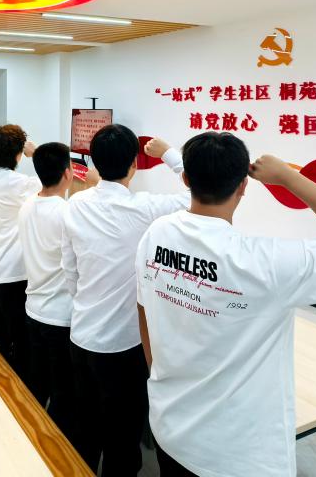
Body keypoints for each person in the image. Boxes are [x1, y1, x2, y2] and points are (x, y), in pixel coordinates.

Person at [136, 135, 316, 477]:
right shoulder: (265, 263)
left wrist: (161, 377)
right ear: (243, 186)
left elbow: (144, 313)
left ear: (184, 179)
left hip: (170, 427)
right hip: (236, 455)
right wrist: (288, 178)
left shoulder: (157, 233)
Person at [63, 124, 187, 477]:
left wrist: (86, 301)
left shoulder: (76, 203)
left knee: (85, 428)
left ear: (94, 161)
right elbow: (199, 193)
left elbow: (69, 269)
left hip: (81, 334)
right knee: (122, 438)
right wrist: (168, 153)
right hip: (124, 344)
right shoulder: (146, 207)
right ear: (134, 164)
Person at [18, 141, 79, 441]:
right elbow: (75, 268)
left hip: (34, 309)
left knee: (37, 383)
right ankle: (55, 453)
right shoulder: (67, 213)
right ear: (68, 173)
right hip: (60, 317)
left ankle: (30, 441)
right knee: (64, 394)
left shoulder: (28, 204)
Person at [0, 124, 39, 379]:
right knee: (20, 334)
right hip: (14, 269)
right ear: (17, 154)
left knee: (1, 327)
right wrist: (36, 153)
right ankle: (17, 386)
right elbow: (54, 181)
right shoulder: (18, 183)